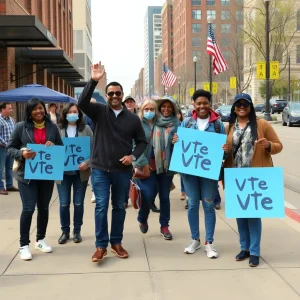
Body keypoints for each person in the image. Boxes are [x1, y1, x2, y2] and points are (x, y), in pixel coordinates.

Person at [78, 62, 147, 263]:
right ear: (106, 96)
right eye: (111, 94)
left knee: (118, 206)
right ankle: (101, 246)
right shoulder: (99, 111)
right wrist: (93, 80)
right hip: (100, 169)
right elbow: (82, 103)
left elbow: (142, 142)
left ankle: (116, 243)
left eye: (118, 93)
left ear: (122, 94)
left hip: (121, 171)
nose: (115, 96)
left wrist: (133, 156)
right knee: (101, 205)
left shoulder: (133, 119)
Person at [223, 93, 283, 267]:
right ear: (234, 107)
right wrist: (225, 151)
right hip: (236, 176)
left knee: (254, 215)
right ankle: (245, 248)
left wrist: (268, 146)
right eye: (238, 104)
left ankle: (255, 251)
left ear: (250, 107)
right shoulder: (229, 127)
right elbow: (226, 153)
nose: (242, 107)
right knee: (240, 214)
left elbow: (278, 145)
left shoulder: (262, 124)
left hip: (255, 177)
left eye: (245, 104)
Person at [173, 89, 227, 258]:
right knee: (192, 206)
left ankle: (209, 242)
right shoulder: (187, 123)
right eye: (199, 103)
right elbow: (180, 148)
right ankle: (194, 239)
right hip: (190, 174)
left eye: (205, 103)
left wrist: (225, 150)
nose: (202, 106)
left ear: (210, 104)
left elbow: (224, 152)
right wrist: (175, 141)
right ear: (193, 105)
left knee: (209, 205)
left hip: (209, 174)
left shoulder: (218, 125)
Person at [6, 98, 63, 261]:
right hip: (27, 176)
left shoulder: (52, 127)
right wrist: (21, 154)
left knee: (43, 208)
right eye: (34, 109)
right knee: (29, 208)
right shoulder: (20, 127)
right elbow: (10, 148)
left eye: (40, 108)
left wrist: (54, 146)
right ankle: (24, 244)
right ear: (29, 112)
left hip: (46, 175)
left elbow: (60, 147)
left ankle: (40, 239)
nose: (39, 111)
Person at [135, 96, 179, 240]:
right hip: (146, 166)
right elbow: (134, 145)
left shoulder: (171, 124)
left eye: (152, 109)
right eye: (146, 109)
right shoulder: (139, 124)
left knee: (164, 197)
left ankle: (164, 226)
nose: (149, 111)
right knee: (147, 195)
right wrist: (142, 163)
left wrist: (175, 142)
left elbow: (179, 146)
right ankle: (142, 217)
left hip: (165, 167)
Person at [57, 103, 93, 244]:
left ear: (79, 114)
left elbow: (94, 149)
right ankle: (65, 231)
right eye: (70, 112)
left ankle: (77, 231)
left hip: (80, 173)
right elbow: (52, 148)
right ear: (65, 114)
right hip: (63, 174)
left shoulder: (86, 129)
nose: (73, 114)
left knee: (78, 203)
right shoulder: (57, 129)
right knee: (64, 203)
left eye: (75, 112)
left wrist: (87, 163)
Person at [0, 102, 19, 195]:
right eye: (9, 109)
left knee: (9, 167)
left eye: (11, 108)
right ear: (3, 109)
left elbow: (14, 133)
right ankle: (0, 187)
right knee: (0, 168)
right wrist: (6, 144)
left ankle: (9, 185)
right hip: (2, 148)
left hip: (11, 148)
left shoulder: (11, 119)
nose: (11, 110)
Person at [83, 98, 97, 203]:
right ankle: (94, 192)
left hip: (100, 146)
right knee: (92, 170)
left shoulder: (100, 116)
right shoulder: (84, 118)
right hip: (89, 146)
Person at [177, 110, 186, 203]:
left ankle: (184, 192)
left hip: (182, 153)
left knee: (183, 175)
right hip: (171, 154)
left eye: (178, 113)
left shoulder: (183, 125)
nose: (177, 115)